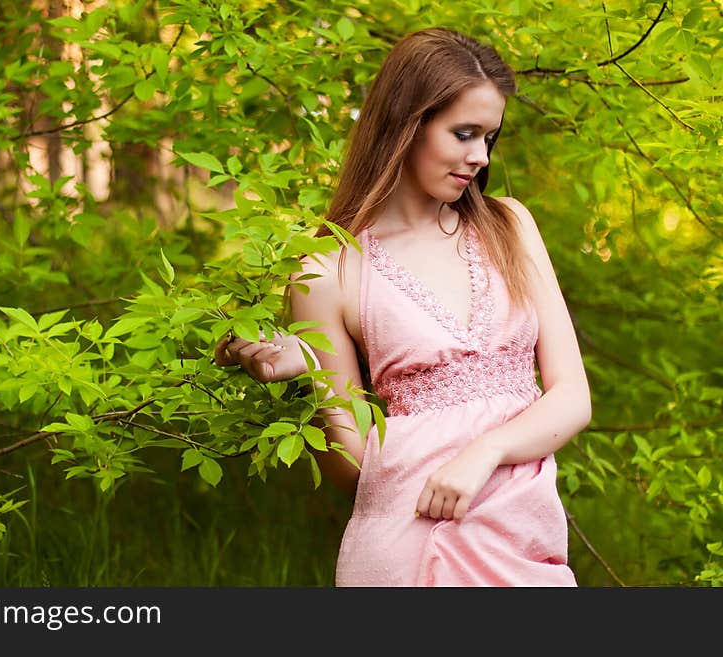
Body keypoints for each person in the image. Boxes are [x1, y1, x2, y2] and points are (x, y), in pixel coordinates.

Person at [214, 27, 591, 586]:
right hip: (409, 541)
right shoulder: (328, 269)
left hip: (520, 539)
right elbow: (353, 470)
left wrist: (487, 451)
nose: (478, 156)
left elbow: (572, 398)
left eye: (489, 137)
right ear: (407, 124)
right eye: (463, 134)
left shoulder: (510, 227)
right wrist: (309, 373)